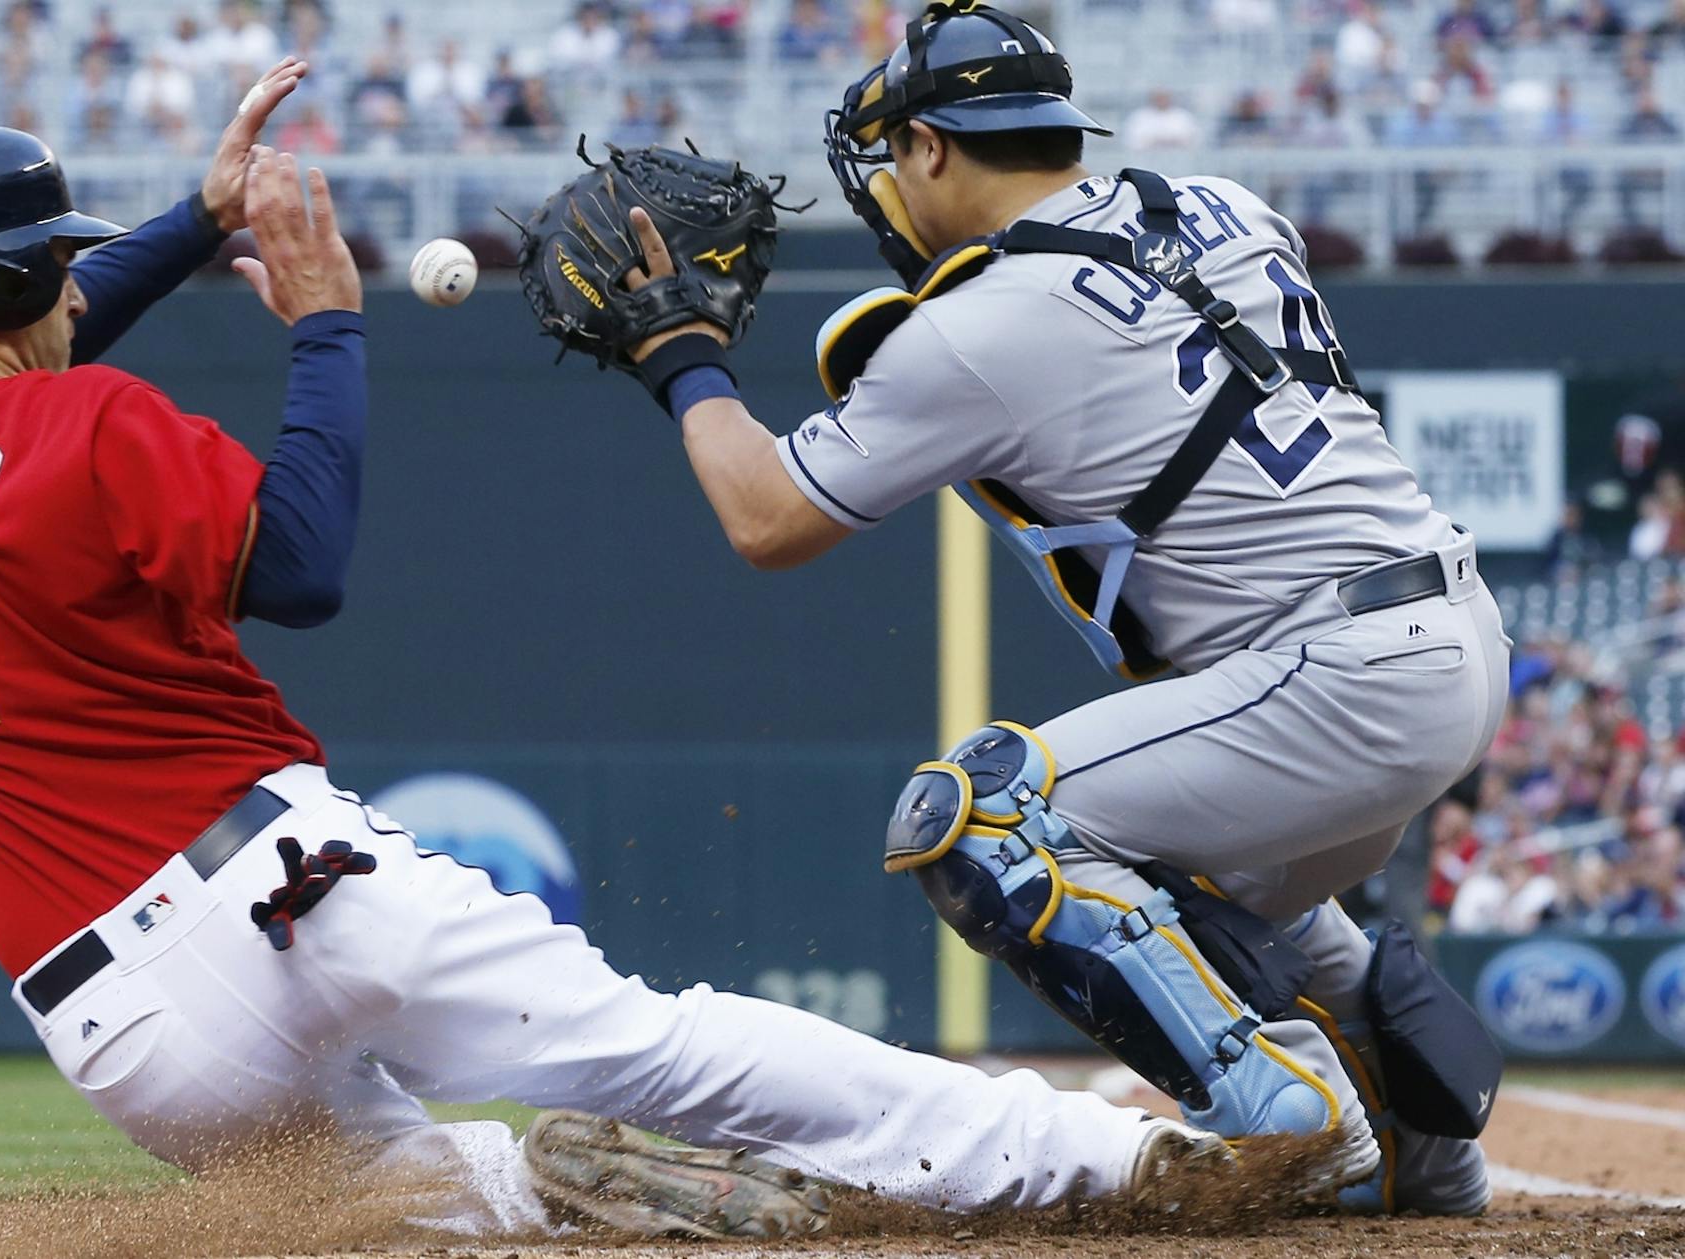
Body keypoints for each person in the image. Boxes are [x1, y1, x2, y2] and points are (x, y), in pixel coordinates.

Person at [0, 57, 1220, 1241]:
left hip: (124, 1036)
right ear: (2, 283)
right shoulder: (87, 424)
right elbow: (296, 567)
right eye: (53, 262)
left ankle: (530, 1178)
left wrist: (190, 219)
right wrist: (328, 325)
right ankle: (1103, 1155)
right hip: (272, 897)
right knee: (655, 1042)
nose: (70, 285)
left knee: (416, 1201)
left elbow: (13, 366)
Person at [599, 1, 1510, 1221]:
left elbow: (769, 519)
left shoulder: (981, 327)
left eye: (888, 157)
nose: (885, 189)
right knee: (1207, 897)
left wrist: (681, 355)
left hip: (1332, 671)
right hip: (1437, 636)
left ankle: (1286, 1114)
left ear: (930, 147)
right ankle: (1428, 1157)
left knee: (980, 815)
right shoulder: (1228, 206)